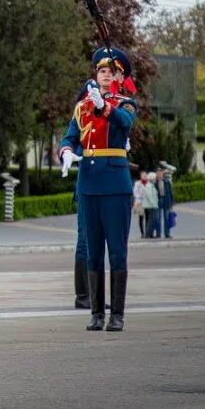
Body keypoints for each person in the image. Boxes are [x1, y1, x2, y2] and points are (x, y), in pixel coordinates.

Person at [59, 47, 138, 332]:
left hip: (115, 184)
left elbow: (125, 123)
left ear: (120, 77)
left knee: (116, 251)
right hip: (89, 183)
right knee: (92, 251)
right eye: (101, 71)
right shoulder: (82, 107)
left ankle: (116, 314)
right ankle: (95, 313)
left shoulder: (126, 103)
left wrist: (105, 106)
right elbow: (69, 136)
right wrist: (66, 152)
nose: (105, 76)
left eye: (111, 72)